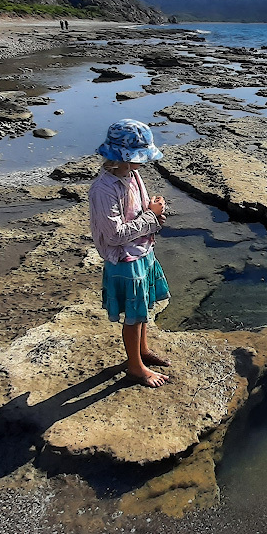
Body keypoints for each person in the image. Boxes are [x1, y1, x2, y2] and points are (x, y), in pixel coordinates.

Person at [89, 119, 172, 387]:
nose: (143, 163)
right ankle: (135, 367)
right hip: (125, 259)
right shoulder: (104, 189)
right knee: (134, 316)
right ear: (123, 158)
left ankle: (143, 351)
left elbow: (139, 211)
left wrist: (151, 207)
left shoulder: (132, 175)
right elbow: (114, 235)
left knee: (144, 307)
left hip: (142, 250)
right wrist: (151, 217)